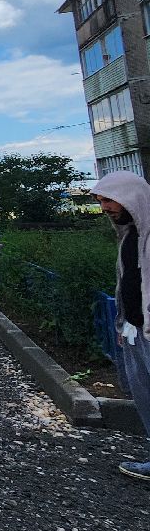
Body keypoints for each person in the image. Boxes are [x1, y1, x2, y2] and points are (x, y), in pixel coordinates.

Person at [90, 171, 150, 482]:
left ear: (130, 196)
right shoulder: (131, 235)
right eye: (100, 200)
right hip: (136, 330)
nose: (104, 207)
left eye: (108, 199)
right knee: (144, 396)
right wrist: (125, 322)